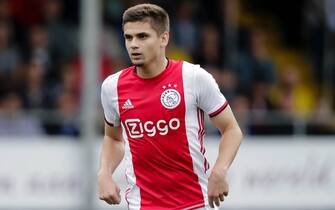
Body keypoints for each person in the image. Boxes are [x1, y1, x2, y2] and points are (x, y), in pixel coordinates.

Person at [98, 3, 243, 210]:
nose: (133, 45)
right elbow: (113, 137)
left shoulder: (193, 77)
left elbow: (231, 129)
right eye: (128, 38)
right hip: (142, 205)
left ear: (163, 38)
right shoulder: (112, 87)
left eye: (142, 36)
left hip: (196, 203)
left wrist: (220, 170)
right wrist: (105, 172)